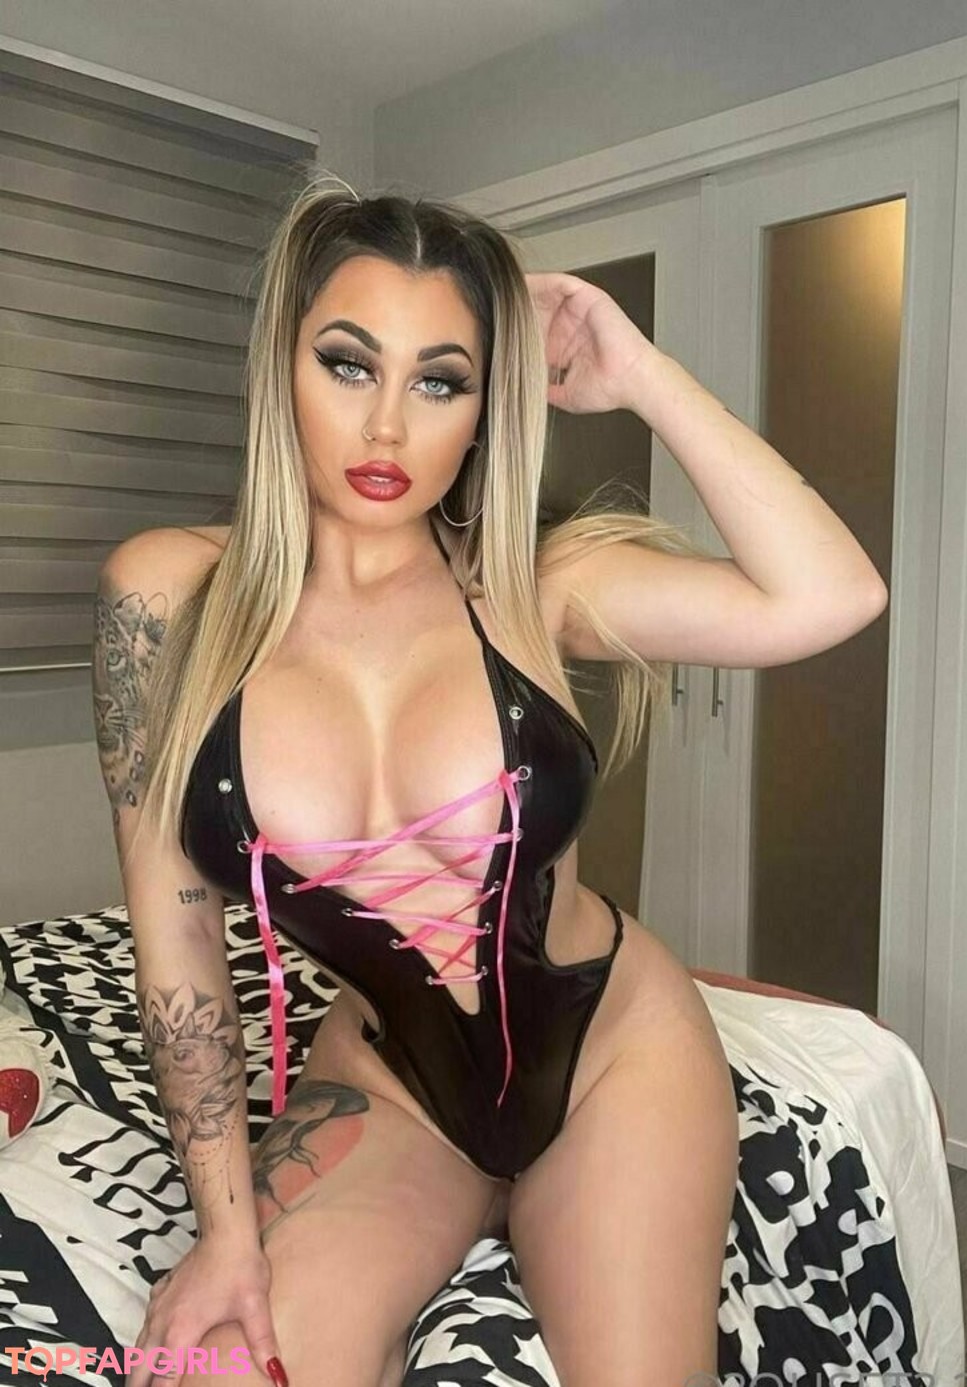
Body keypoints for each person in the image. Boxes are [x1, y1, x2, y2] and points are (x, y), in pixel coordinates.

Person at [92, 172, 887, 1387]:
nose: (386, 428)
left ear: (483, 408)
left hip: (615, 1058)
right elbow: (179, 940)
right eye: (348, 364)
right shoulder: (166, 599)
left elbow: (831, 594)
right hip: (394, 1089)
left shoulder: (529, 586)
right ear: (281, 369)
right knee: (232, 1368)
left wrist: (639, 372)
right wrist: (226, 1234)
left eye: (440, 381)